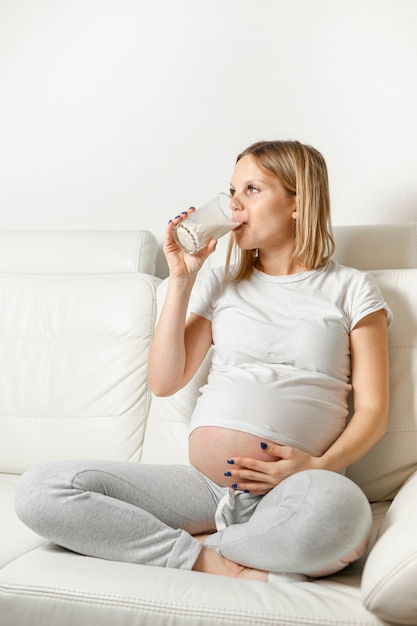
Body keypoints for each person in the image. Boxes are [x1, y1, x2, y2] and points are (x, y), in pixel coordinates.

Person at [15, 140, 391, 582]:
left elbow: (372, 411)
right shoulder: (220, 284)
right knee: (42, 489)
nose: (233, 205)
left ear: (298, 202)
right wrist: (182, 280)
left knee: (341, 518)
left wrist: (316, 466)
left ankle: (208, 541)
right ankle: (206, 559)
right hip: (203, 489)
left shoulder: (351, 289)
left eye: (251, 189)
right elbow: (164, 380)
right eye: (231, 191)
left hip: (293, 486)